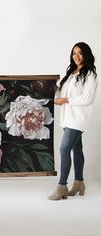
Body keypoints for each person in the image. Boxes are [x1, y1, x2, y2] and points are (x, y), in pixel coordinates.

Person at [48, 42, 97, 200]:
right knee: (76, 149)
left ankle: (62, 186)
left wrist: (66, 100)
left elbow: (87, 98)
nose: (76, 56)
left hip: (78, 119)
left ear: (86, 55)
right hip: (67, 118)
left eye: (80, 53)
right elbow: (61, 93)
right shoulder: (71, 73)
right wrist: (52, 87)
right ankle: (79, 183)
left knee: (64, 149)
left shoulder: (90, 74)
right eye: (74, 53)